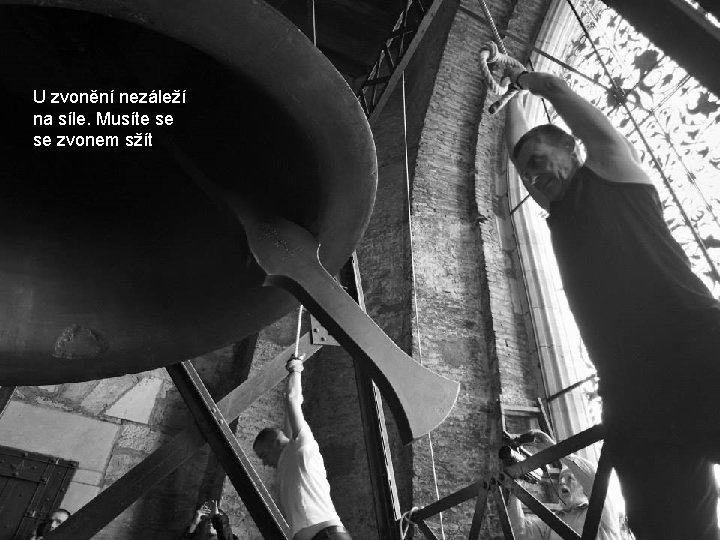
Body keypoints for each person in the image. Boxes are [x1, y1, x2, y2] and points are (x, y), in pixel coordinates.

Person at [504, 66, 720, 540]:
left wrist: (524, 79)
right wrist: (507, 100)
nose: (533, 176)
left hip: (697, 349)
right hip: (632, 393)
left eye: (539, 161)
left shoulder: (615, 172)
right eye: (526, 174)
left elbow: (557, 92)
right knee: (670, 529)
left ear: (573, 151)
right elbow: (519, 148)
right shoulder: (558, 212)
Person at [253, 355, 351, 540]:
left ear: (276, 442)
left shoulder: (301, 448)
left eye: (264, 455)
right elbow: (288, 406)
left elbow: (292, 399)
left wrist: (296, 370)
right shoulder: (287, 459)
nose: (264, 463)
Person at [506, 430, 620, 540]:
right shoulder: (553, 522)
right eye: (561, 480)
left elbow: (594, 480)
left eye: (570, 478)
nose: (563, 483)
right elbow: (521, 534)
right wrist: (513, 486)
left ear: (583, 487)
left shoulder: (602, 514)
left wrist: (555, 449)